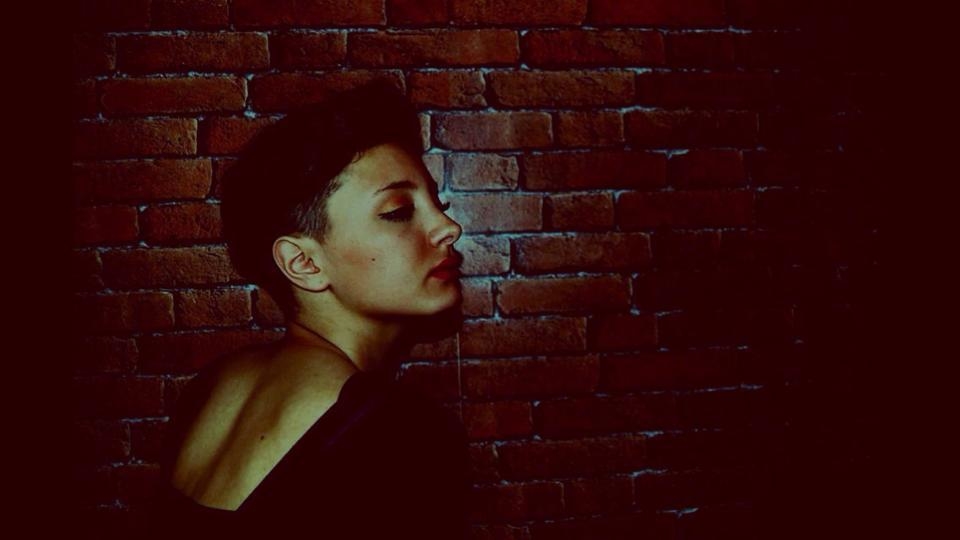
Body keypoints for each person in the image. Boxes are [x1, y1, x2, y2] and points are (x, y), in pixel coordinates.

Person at [151, 81, 470, 539]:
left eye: (438, 203)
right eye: (398, 211)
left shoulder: (217, 383)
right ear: (304, 263)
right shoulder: (396, 433)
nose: (448, 226)